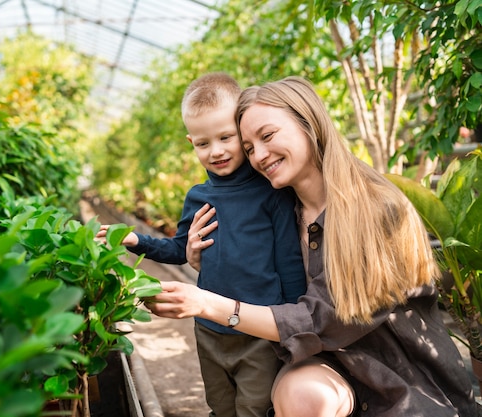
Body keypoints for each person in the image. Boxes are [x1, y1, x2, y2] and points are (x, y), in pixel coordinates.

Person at [145, 76, 477, 417]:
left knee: (308, 396)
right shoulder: (278, 203)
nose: (259, 155)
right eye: (248, 147)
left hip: (392, 379)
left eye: (268, 136)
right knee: (297, 394)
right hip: (320, 362)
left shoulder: (376, 210)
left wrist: (207, 304)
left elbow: (321, 319)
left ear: (309, 124)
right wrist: (203, 257)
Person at [97, 72, 307, 417]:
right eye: (203, 143)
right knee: (221, 406)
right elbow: (181, 249)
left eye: (226, 137)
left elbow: (289, 263)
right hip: (209, 330)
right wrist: (135, 240)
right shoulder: (199, 196)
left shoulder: (270, 193)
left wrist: (291, 333)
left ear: (242, 131)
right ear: (190, 141)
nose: (217, 151)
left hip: (259, 333)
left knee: (254, 407)